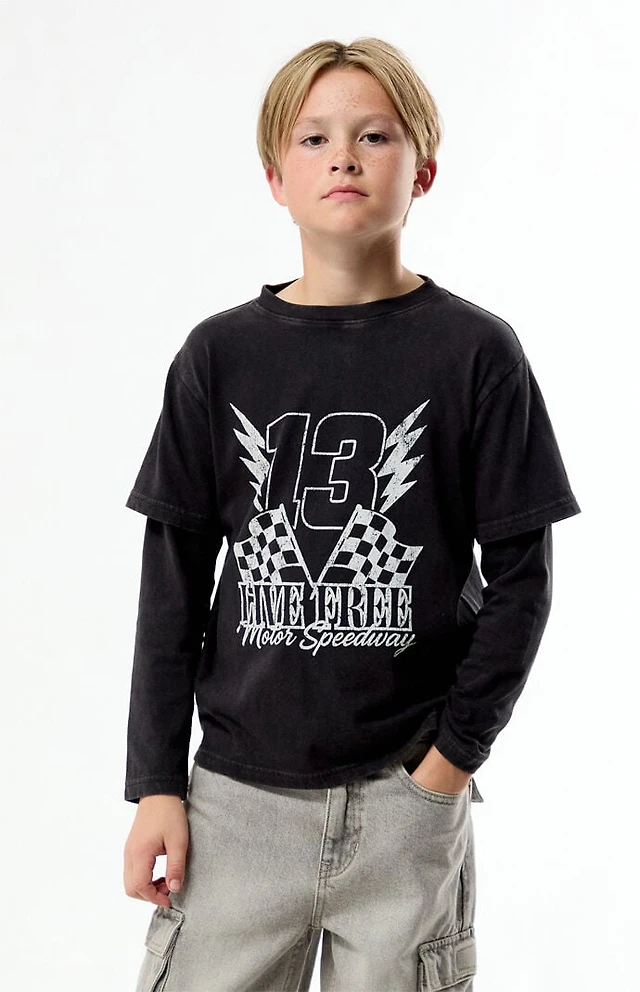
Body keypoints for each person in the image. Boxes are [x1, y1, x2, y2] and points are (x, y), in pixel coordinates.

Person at [122, 36, 581, 992]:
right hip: (235, 808)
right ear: (274, 178)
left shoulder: (477, 355)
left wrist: (447, 768)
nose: (344, 157)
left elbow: (523, 582)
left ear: (424, 170)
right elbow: (171, 589)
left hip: (405, 807)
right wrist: (156, 784)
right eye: (314, 138)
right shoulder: (217, 358)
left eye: (374, 135)